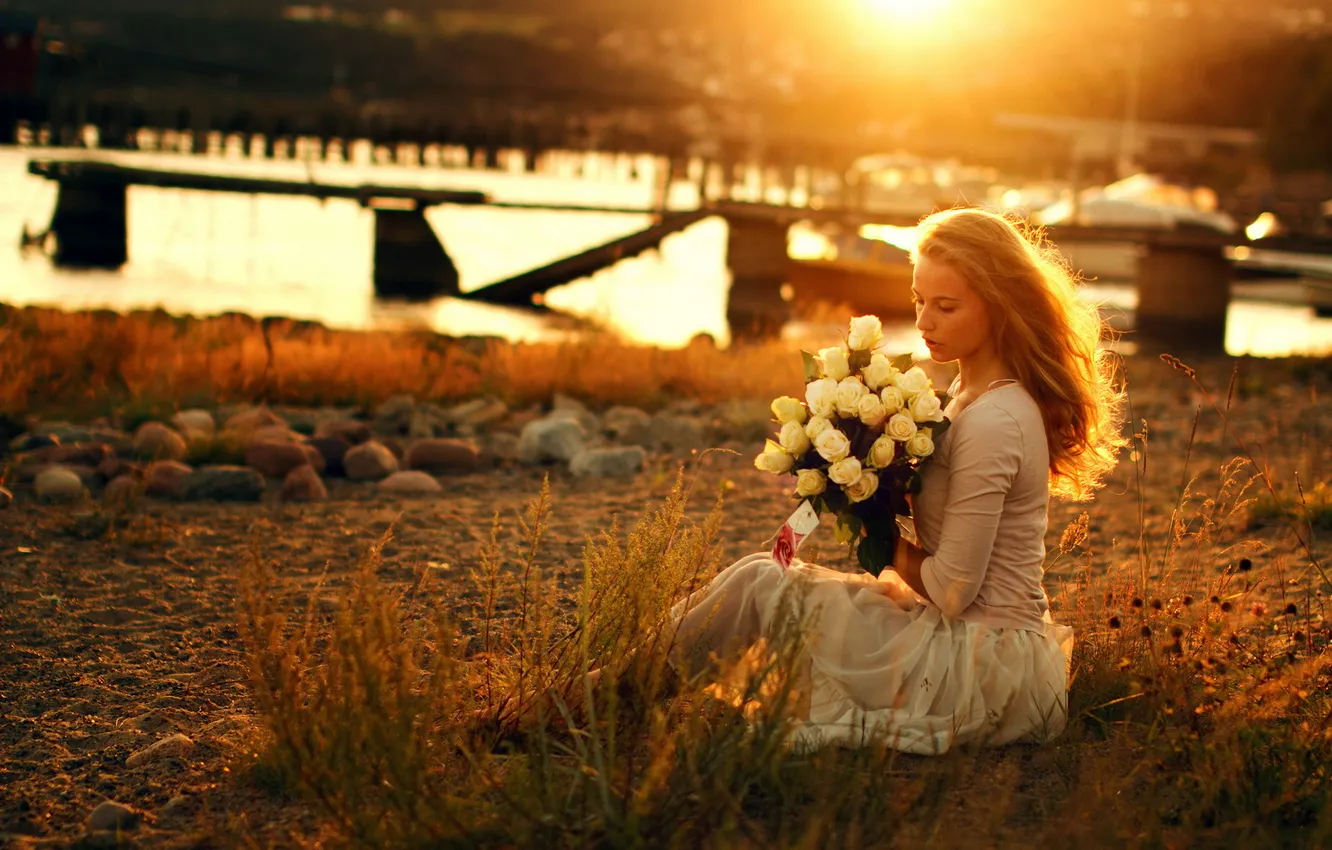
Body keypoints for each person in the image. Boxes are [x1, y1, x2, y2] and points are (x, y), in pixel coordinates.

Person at [658, 208, 1127, 754]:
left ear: (1000, 308)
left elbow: (954, 590)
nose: (925, 322)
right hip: (968, 642)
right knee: (760, 572)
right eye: (919, 301)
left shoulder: (996, 419)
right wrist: (855, 472)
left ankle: (614, 694)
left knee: (763, 584)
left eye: (946, 306)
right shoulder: (968, 394)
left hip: (977, 667)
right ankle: (620, 684)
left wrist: (872, 532)